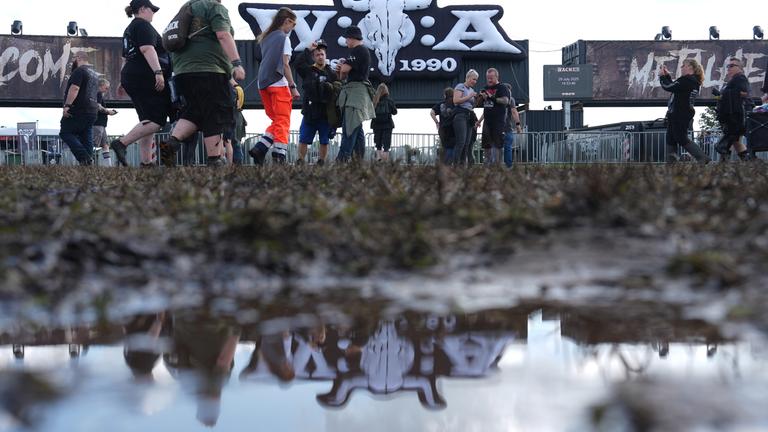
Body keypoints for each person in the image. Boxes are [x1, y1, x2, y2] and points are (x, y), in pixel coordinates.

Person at [160, 0, 247, 167]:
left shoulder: (187, 8)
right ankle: (215, 160)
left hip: (182, 71)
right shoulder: (215, 7)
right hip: (209, 69)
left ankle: (169, 145)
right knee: (215, 112)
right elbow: (223, 35)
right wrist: (237, 63)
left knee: (194, 112)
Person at [111, 0, 172, 167]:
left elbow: (125, 57)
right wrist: (158, 72)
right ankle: (121, 143)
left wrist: (122, 81)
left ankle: (146, 162)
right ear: (143, 9)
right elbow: (147, 49)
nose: (153, 13)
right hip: (145, 75)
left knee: (147, 121)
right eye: (152, 10)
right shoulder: (143, 26)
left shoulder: (129, 29)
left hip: (131, 75)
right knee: (156, 120)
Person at [247, 8, 298, 165]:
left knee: (277, 120)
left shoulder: (266, 38)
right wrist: (293, 86)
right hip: (278, 82)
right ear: (287, 21)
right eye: (293, 24)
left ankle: (260, 148)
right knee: (283, 120)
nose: (293, 28)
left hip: (263, 83)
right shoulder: (284, 38)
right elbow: (285, 64)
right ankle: (279, 156)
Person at [294, 39, 339, 166]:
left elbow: (338, 89)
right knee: (303, 138)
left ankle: (321, 162)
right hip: (310, 113)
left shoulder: (331, 73)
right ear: (313, 57)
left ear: (325, 56)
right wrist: (308, 49)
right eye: (317, 54)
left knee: (324, 140)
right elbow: (297, 63)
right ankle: (300, 161)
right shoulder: (308, 71)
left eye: (322, 54)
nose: (320, 56)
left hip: (325, 114)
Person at [335, 25, 375, 162]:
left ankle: (342, 160)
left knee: (350, 128)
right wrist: (342, 69)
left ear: (352, 38)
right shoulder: (361, 51)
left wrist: (342, 67)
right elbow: (342, 74)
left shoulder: (358, 50)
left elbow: (344, 71)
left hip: (355, 94)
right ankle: (358, 162)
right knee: (357, 129)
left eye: (347, 38)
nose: (346, 41)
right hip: (357, 93)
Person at [659, 59, 710, 163]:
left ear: (690, 67)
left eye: (683, 65)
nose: (681, 67)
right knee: (671, 139)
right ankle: (671, 163)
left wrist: (662, 77)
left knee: (680, 137)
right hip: (678, 113)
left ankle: (702, 157)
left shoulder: (687, 80)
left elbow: (668, 86)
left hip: (680, 113)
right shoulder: (691, 81)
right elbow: (674, 87)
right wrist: (667, 76)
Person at [59, 51, 99, 166]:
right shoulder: (94, 74)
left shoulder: (79, 71)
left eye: (73, 58)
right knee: (86, 136)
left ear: (79, 58)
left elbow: (75, 88)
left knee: (65, 132)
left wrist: (67, 106)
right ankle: (88, 163)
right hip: (92, 110)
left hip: (79, 108)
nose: (72, 61)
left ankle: (84, 157)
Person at [714, 58, 752, 161]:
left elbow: (745, 93)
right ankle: (749, 162)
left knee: (724, 144)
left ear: (740, 68)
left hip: (735, 116)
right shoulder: (734, 80)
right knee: (735, 142)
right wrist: (721, 95)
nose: (728, 68)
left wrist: (724, 94)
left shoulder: (740, 78)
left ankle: (723, 166)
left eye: (731, 66)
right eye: (728, 66)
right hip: (733, 115)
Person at [476, 68, 510, 166]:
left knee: (498, 143)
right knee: (486, 144)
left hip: (498, 121)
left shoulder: (502, 87)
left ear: (497, 77)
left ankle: (498, 165)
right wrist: (480, 97)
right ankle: (487, 165)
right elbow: (478, 104)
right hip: (487, 121)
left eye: (491, 78)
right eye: (488, 78)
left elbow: (505, 101)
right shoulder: (485, 88)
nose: (489, 80)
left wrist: (491, 97)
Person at [451, 69, 479, 165]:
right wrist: (470, 96)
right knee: (461, 142)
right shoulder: (460, 86)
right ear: (467, 78)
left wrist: (477, 99)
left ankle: (462, 166)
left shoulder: (471, 90)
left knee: (467, 143)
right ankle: (455, 165)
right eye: (473, 79)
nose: (475, 82)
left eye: (476, 80)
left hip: (469, 115)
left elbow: (472, 106)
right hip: (460, 115)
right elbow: (456, 101)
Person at [94, 78, 118, 166]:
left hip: (101, 124)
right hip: (97, 123)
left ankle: (108, 165)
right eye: (106, 88)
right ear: (100, 86)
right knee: (93, 143)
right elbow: (97, 106)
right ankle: (87, 163)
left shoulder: (98, 94)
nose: (107, 90)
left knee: (105, 144)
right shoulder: (98, 93)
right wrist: (109, 112)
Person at [371, 83, 397, 161]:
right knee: (386, 145)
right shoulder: (389, 101)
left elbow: (370, 112)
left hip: (376, 124)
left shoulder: (374, 101)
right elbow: (395, 112)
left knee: (378, 144)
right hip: (387, 125)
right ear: (386, 91)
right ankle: (385, 161)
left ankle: (379, 158)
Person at [431, 87, 456, 163]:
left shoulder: (440, 104)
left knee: (445, 146)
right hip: (453, 129)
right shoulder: (456, 104)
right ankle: (452, 163)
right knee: (453, 147)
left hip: (443, 129)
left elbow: (431, 113)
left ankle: (445, 164)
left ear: (445, 95)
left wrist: (437, 122)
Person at [501, 83, 523, 167]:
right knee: (508, 147)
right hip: (507, 128)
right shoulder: (511, 99)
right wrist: (518, 125)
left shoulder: (495, 98)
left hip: (497, 127)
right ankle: (508, 167)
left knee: (496, 148)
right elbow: (514, 112)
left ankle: (495, 167)